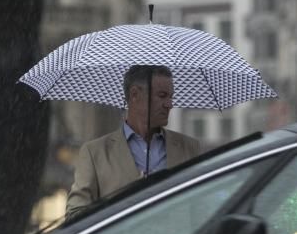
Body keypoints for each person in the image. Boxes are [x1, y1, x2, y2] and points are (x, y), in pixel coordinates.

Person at [65, 65, 202, 218]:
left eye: (171, 97)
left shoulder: (189, 148)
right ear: (135, 95)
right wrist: (126, 198)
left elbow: (203, 210)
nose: (169, 104)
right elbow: (74, 216)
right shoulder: (95, 153)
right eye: (162, 96)